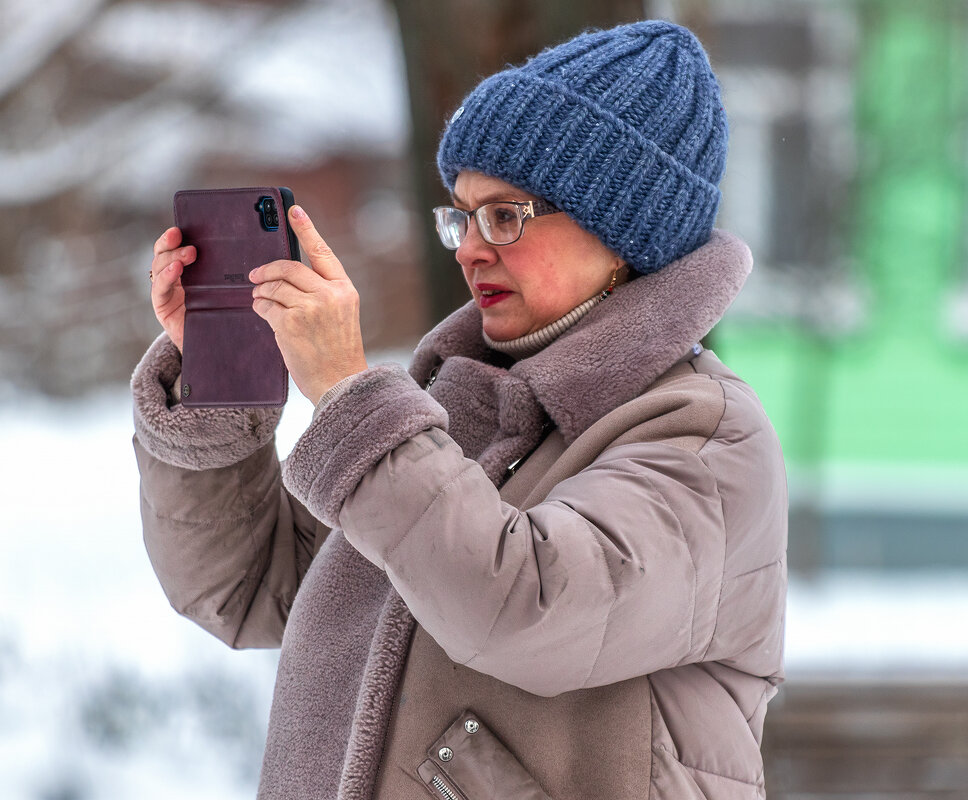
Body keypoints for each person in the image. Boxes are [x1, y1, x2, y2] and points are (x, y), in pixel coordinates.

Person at [133, 19, 787, 800]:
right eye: (462, 216)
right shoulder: (466, 408)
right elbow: (249, 594)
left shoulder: (706, 437)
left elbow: (527, 609)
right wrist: (218, 380)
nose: (471, 247)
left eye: (505, 215)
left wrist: (348, 392)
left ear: (622, 234)